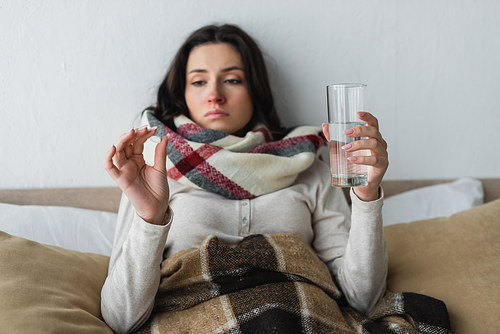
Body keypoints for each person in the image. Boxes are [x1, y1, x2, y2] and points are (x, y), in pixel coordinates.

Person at [101, 24, 389, 333]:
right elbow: (121, 319)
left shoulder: (307, 164)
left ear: (255, 89)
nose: (214, 95)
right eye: (199, 81)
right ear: (182, 95)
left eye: (232, 80)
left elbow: (363, 299)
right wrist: (150, 217)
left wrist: (367, 196)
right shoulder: (151, 172)